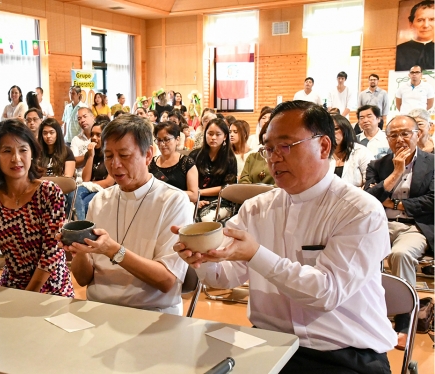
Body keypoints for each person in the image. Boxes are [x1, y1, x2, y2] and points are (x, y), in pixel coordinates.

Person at [175, 101, 396, 373]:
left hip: (345, 352)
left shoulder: (361, 211)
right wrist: (202, 257)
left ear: (324, 146)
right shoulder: (257, 208)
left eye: (285, 146)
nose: (273, 158)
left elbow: (326, 294)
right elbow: (224, 277)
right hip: (271, 344)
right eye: (268, 148)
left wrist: (256, 254)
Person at [66, 114, 193, 315]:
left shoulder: (173, 201)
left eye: (124, 155)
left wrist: (114, 250)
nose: (115, 164)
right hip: (99, 308)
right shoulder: (99, 200)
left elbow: (167, 281)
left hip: (153, 312)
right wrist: (78, 250)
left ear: (148, 154)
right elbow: (83, 279)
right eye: (108, 156)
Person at [0, 119, 74, 297]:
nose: (16, 158)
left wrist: (27, 297)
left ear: (32, 153)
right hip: (11, 285)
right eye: (7, 151)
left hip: (52, 287)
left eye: (23, 150)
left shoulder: (49, 193)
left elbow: (51, 252)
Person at [365, 115, 434, 350]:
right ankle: (369, 314)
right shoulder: (377, 164)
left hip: (414, 227)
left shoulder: (432, 163)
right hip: (380, 225)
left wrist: (394, 204)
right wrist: (396, 173)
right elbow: (368, 199)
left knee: (401, 254)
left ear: (418, 134)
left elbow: (432, 201)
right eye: (393, 135)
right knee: (363, 251)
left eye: (405, 133)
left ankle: (404, 322)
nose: (400, 139)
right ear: (387, 139)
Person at [190, 118, 238, 222]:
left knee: (206, 218)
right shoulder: (195, 155)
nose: (213, 138)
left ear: (225, 136)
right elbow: (186, 181)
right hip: (195, 199)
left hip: (221, 200)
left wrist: (200, 192)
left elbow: (227, 187)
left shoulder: (230, 159)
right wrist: (195, 199)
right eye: (210, 134)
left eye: (218, 134)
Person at [74, 121, 115, 220]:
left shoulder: (112, 154)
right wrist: (90, 156)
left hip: (105, 190)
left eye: (98, 135)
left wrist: (90, 184)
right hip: (91, 189)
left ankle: (81, 226)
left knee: (84, 203)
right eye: (92, 134)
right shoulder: (91, 153)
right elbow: (86, 179)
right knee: (74, 196)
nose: (94, 138)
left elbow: (108, 183)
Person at [149, 122, 198, 202]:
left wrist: (167, 194)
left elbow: (194, 195)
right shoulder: (152, 163)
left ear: (177, 139)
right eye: (159, 140)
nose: (162, 144)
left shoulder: (186, 163)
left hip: (179, 207)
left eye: (166, 139)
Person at [329, 114, 372, 187]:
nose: (331, 133)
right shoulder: (321, 154)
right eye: (327, 130)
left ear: (346, 130)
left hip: (358, 197)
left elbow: (370, 182)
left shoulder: (361, 151)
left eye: (336, 129)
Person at [395, 1, 434, 72]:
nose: (426, 25)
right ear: (411, 24)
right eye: (420, 20)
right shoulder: (399, 51)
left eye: (432, 19)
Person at [70, 107, 95, 178]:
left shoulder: (100, 137)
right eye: (79, 119)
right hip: (80, 178)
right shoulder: (76, 139)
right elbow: (73, 162)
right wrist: (89, 154)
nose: (82, 120)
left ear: (93, 117)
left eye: (85, 116)